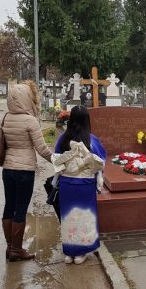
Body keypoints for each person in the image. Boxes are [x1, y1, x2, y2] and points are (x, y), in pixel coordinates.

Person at [1, 81, 53, 262]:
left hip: (7, 169)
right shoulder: (30, 121)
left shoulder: (6, 118)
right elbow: (42, 149)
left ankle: (9, 247)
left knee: (9, 206)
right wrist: (57, 160)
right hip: (24, 170)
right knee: (21, 209)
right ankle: (17, 249)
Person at [52, 105, 106, 264]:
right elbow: (101, 161)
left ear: (71, 119)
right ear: (87, 120)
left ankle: (69, 253)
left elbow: (56, 158)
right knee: (84, 217)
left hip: (67, 183)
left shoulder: (63, 139)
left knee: (68, 217)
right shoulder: (91, 140)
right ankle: (81, 253)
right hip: (85, 184)